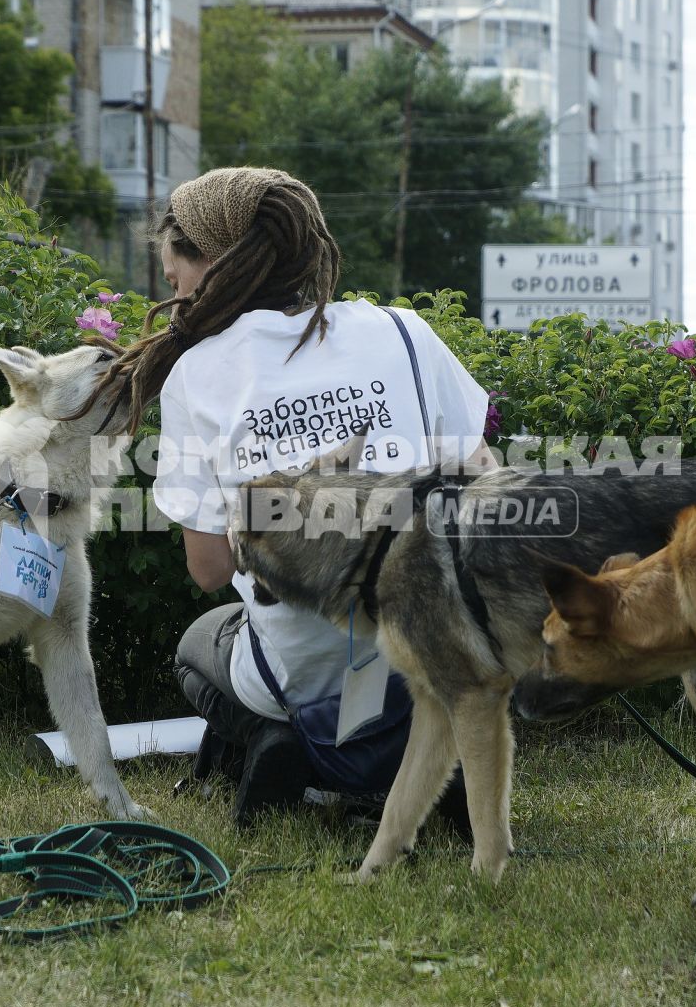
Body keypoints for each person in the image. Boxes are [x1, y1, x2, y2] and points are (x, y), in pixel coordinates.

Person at [84, 167, 491, 825]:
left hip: (298, 671)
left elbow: (210, 570)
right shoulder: (403, 331)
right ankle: (425, 750)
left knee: (202, 641)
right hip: (445, 654)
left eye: (175, 272)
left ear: (214, 264)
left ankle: (290, 745)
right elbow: (480, 483)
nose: (174, 291)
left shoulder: (198, 372)